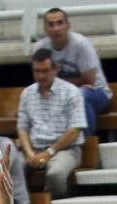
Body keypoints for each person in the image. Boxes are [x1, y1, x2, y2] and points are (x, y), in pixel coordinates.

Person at [17, 48, 87, 199]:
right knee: (13, 167)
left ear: (56, 69)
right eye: (37, 71)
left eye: (46, 70)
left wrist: (49, 152)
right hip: (34, 148)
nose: (41, 75)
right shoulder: (27, 93)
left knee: (56, 174)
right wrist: (29, 153)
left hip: (65, 149)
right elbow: (22, 127)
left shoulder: (71, 92)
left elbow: (75, 129)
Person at [35, 7, 112, 136]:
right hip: (60, 94)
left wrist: (54, 82)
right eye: (51, 25)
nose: (56, 28)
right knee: (32, 97)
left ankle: (86, 143)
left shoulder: (81, 44)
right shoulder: (40, 48)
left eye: (60, 23)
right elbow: (40, 79)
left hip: (96, 93)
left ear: (68, 26)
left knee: (79, 95)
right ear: (45, 29)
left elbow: (89, 81)